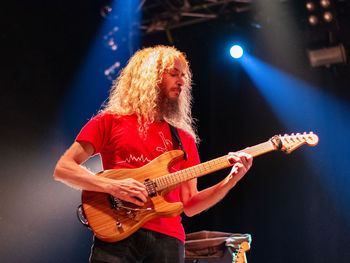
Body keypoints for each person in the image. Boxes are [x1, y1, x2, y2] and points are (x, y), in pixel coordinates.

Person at [53, 45, 253, 263]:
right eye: (173, 74)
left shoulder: (183, 139)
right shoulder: (109, 122)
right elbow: (64, 168)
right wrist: (113, 186)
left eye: (183, 76)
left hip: (168, 240)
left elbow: (190, 205)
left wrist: (230, 181)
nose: (182, 82)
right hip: (119, 231)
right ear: (150, 77)